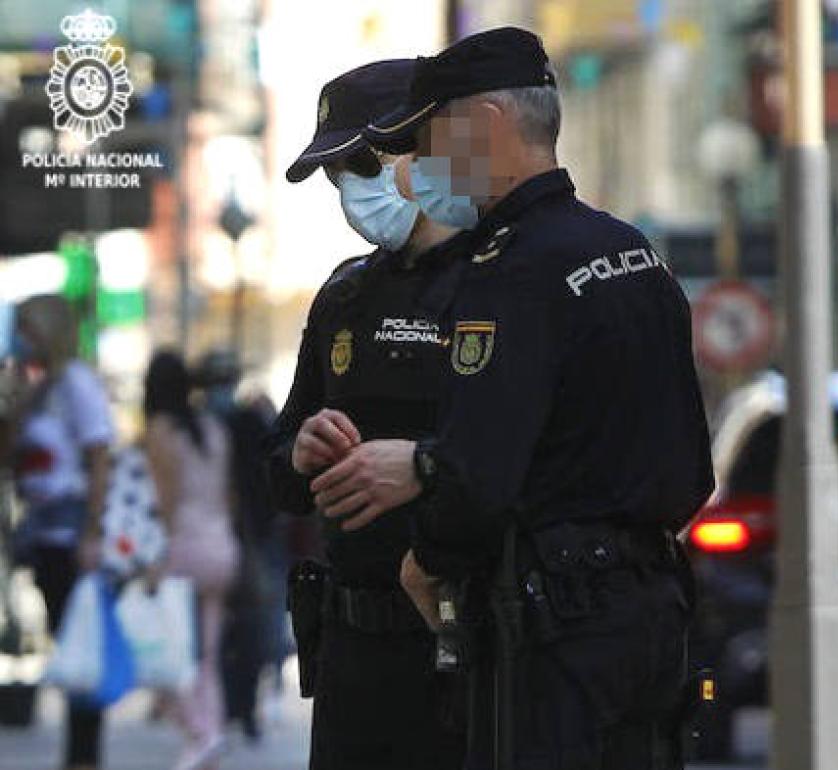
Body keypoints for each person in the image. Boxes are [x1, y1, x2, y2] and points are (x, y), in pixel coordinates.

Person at [313, 27, 714, 770]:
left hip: (555, 630)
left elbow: (478, 478)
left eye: (430, 141)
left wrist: (423, 558)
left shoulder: (511, 270)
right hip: (653, 614)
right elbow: (692, 464)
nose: (422, 168)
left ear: (487, 128)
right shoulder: (631, 252)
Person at [263, 59, 467, 770]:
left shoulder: (504, 285)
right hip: (354, 650)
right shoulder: (345, 297)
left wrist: (423, 467)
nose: (348, 186)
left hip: (463, 649)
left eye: (361, 160)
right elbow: (277, 470)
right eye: (335, 171)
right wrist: (298, 451)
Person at [10, 294, 111, 770]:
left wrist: (92, 531)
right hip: (44, 535)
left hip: (71, 535)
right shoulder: (42, 387)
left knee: (80, 649)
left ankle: (83, 756)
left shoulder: (76, 384)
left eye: (29, 329)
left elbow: (99, 457)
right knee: (65, 643)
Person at [143, 351, 239, 770]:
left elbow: (165, 500)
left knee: (166, 652)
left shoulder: (161, 431)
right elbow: (227, 494)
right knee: (207, 655)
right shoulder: (213, 429)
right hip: (221, 546)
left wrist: (155, 557)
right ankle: (210, 735)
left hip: (182, 547)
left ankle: (199, 732)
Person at [194, 349, 281, 742]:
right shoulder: (203, 424)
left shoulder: (245, 424)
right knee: (224, 630)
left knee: (250, 627)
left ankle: (241, 706)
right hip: (223, 538)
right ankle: (230, 705)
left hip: (249, 538)